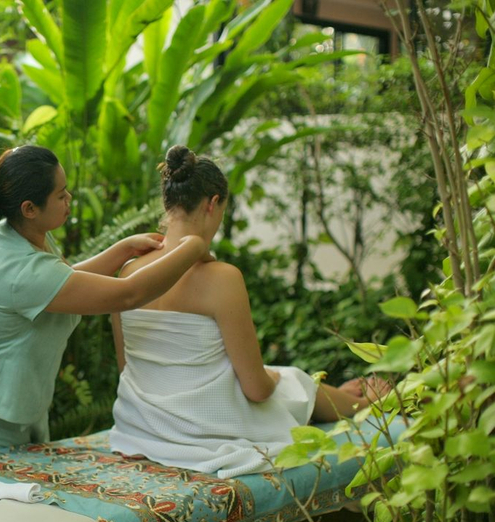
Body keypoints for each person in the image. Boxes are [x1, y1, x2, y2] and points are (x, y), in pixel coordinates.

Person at [0, 145, 208, 522]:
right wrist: (191, 248)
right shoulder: (15, 266)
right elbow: (127, 294)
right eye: (62, 194)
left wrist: (121, 249)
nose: (70, 198)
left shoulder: (22, 236)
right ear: (29, 208)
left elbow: (62, 280)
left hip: (13, 406)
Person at [109, 145, 386, 479]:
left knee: (280, 377)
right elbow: (257, 389)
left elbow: (130, 369)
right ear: (213, 204)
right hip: (200, 431)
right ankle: (368, 403)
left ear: (168, 205)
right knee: (290, 379)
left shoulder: (127, 272)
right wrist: (271, 377)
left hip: (141, 429)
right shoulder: (222, 279)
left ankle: (347, 396)